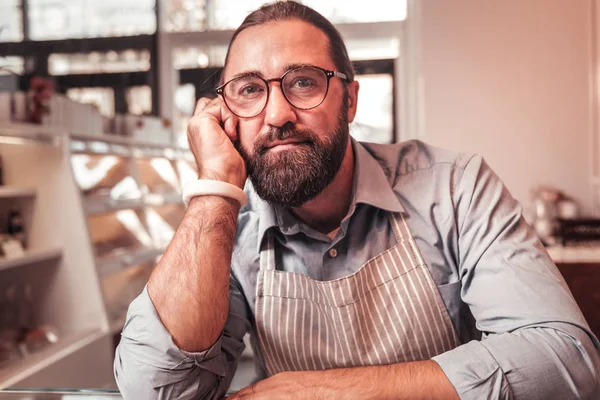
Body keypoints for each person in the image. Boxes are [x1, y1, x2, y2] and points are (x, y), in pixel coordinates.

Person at [114, 1, 600, 399]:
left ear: (349, 100)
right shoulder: (228, 228)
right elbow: (154, 389)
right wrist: (215, 188)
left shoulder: (454, 188)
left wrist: (313, 393)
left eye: (303, 81)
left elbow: (564, 361)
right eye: (249, 91)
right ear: (225, 114)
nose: (277, 114)